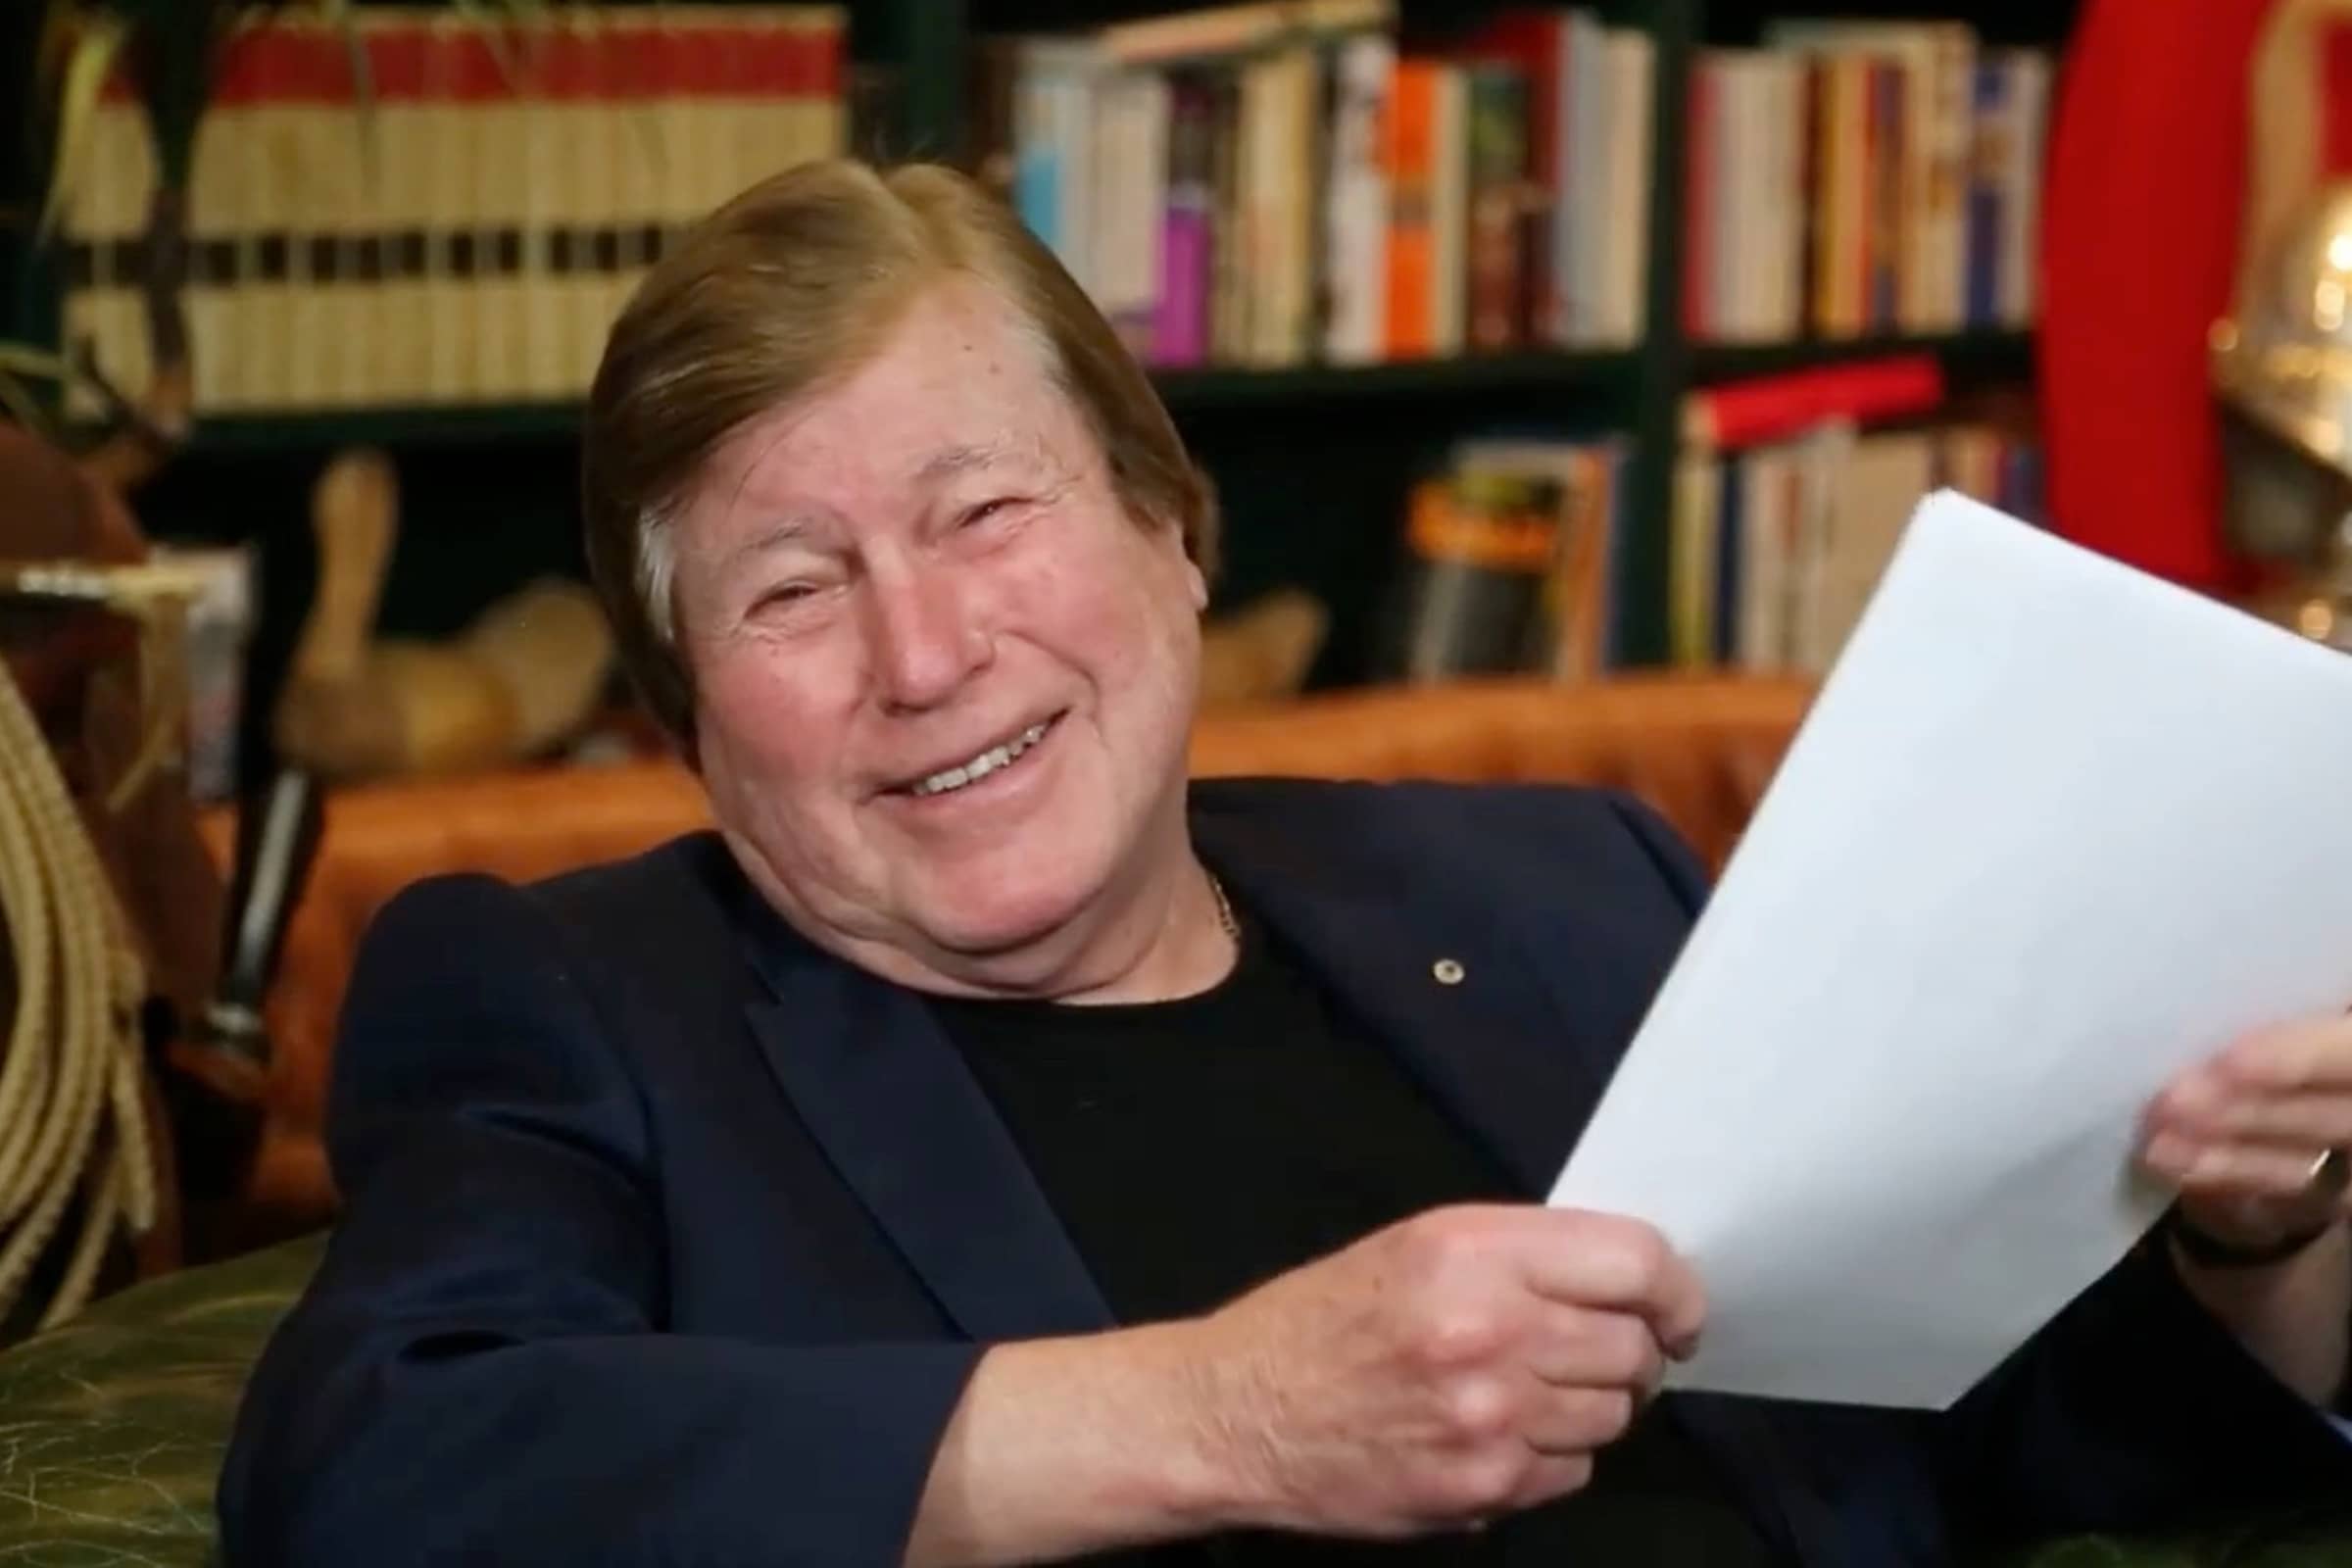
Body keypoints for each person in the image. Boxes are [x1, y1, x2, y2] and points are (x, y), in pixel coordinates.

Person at [218, 160, 2352, 1566]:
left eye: (987, 511)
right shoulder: (584, 1001)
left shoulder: (1559, 889)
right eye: (791, 588)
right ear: (682, 706)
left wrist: (2261, 1227)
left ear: (1173, 524)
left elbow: (2017, 1437)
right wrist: (1227, 1412)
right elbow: (376, 1474)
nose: (927, 650)